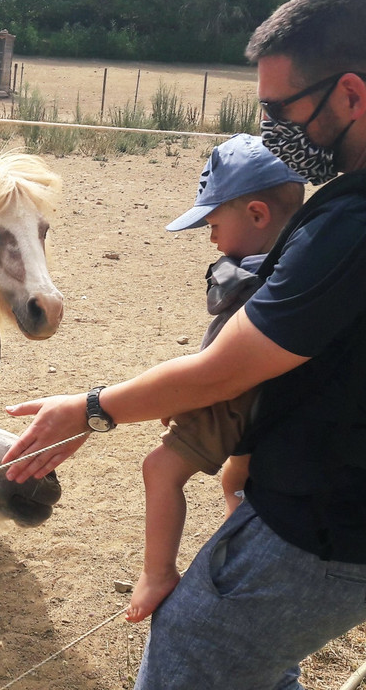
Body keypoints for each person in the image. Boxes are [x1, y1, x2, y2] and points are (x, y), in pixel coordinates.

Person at [1, 0, 366, 689]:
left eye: (281, 110)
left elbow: (225, 369)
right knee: (256, 666)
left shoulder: (358, 218)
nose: (274, 131)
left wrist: (89, 409)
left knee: (186, 653)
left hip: (319, 532)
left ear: (352, 97)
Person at [127, 133, 305, 624]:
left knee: (160, 469)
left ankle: (158, 572)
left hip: (236, 391)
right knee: (236, 477)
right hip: (269, 396)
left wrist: (187, 393)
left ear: (256, 215)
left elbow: (226, 365)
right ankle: (242, 537)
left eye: (212, 223)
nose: (210, 238)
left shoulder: (254, 274)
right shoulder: (306, 258)